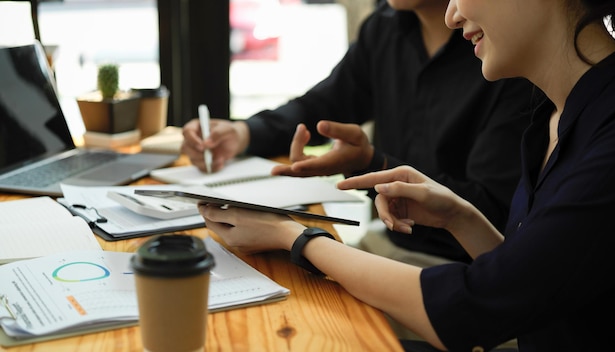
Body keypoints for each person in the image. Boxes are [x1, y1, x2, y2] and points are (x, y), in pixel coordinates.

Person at [197, 0, 615, 350]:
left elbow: (479, 305)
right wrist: (460, 217)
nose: (453, 14)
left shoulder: (612, 133)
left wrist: (295, 238)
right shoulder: (553, 117)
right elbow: (528, 281)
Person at [182, 0, 537, 266]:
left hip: (469, 266)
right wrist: (242, 133)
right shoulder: (384, 28)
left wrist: (371, 162)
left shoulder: (504, 55)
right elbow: (323, 106)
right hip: (386, 244)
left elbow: (492, 212)